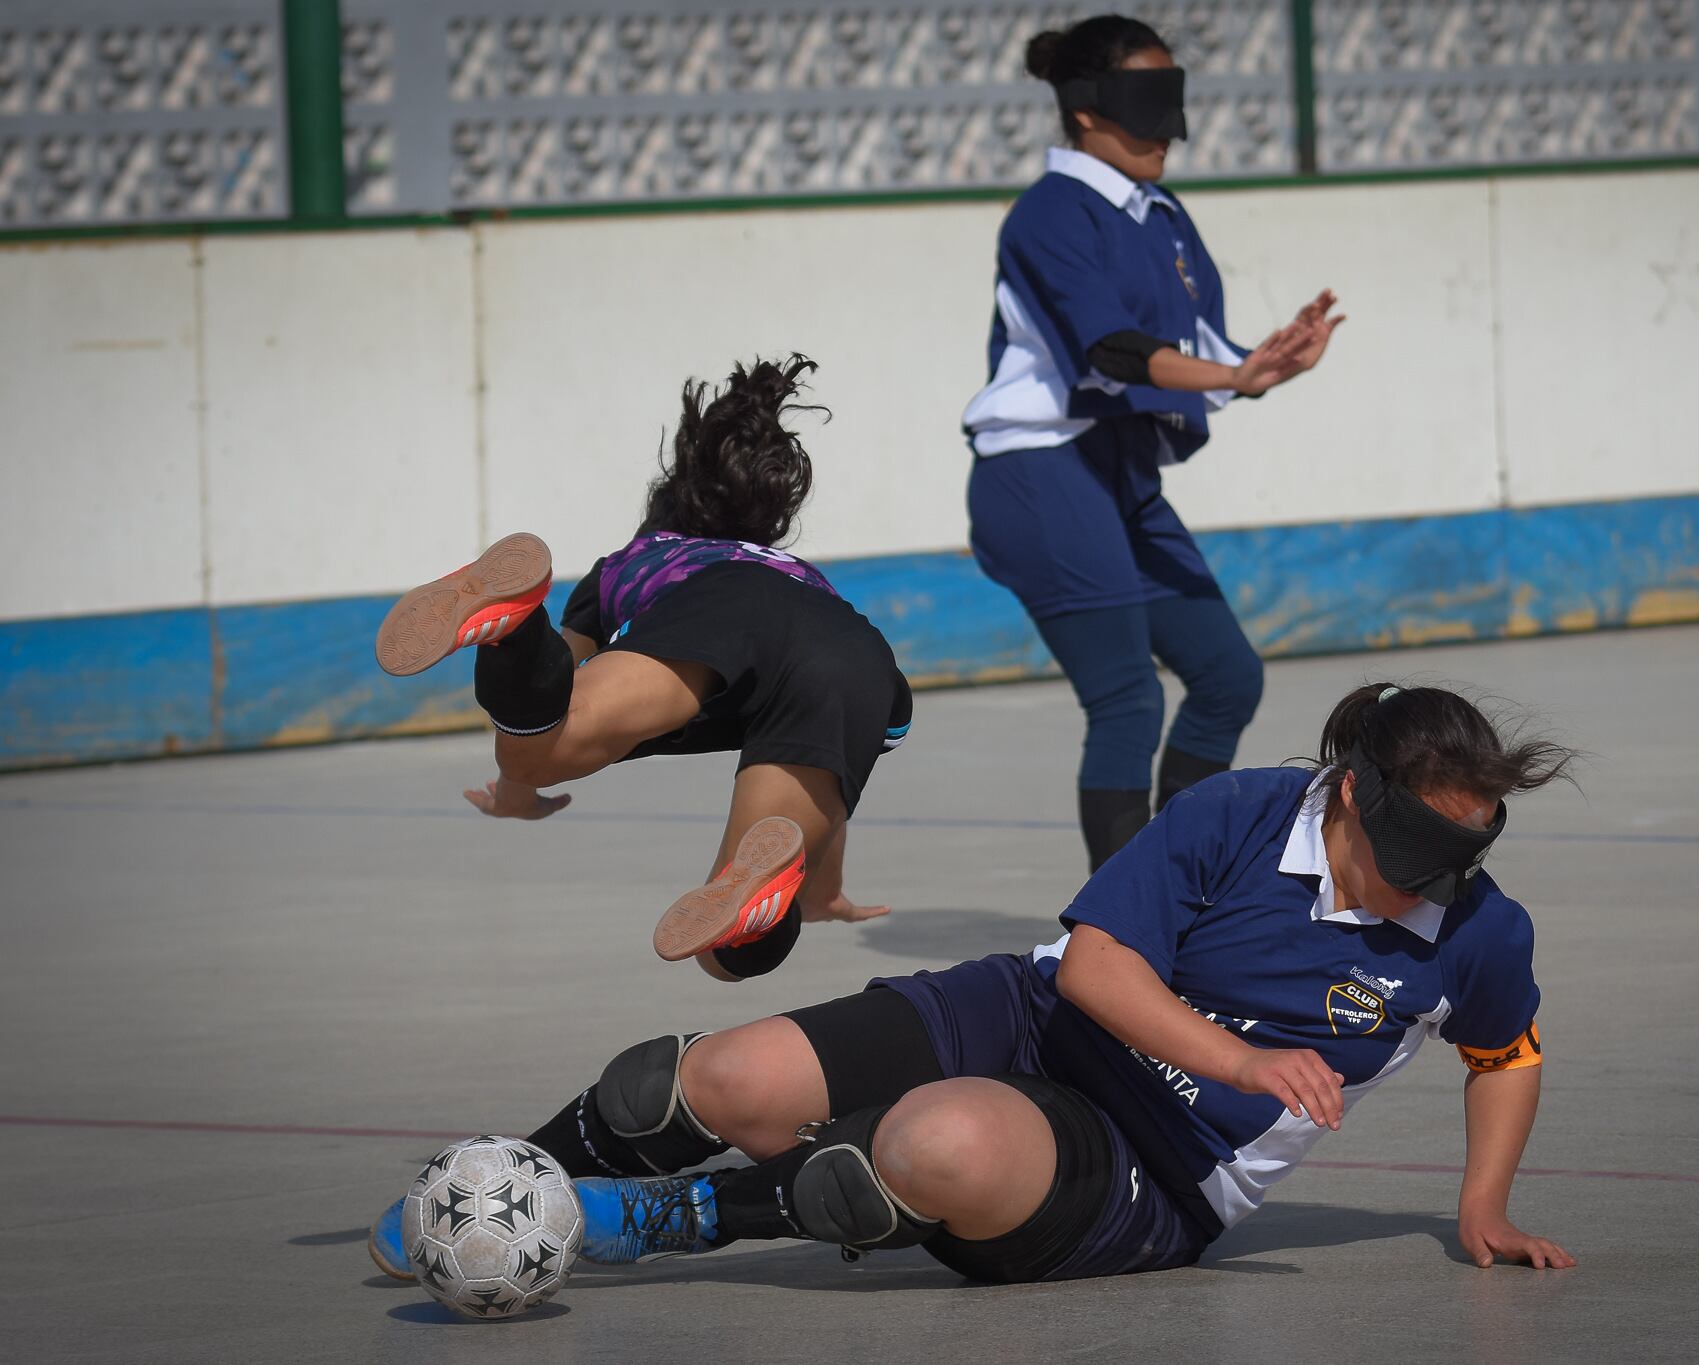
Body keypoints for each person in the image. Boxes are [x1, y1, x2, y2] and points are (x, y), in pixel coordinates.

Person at [369, 682, 1578, 1287]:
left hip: (1157, 1161)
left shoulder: (1474, 930)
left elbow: (1504, 1051)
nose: (1419, 888)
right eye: (1406, 856)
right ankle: (489, 1186)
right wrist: (1249, 1058)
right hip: (1036, 1012)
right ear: (1350, 793)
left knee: (926, 1148)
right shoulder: (1242, 813)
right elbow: (1098, 967)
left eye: (1455, 863)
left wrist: (1478, 1206)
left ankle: (683, 1220)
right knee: (698, 1080)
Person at [373, 355, 910, 981]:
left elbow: (559, 704)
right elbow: (832, 769)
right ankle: (776, 900)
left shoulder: (640, 560)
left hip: (718, 611)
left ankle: (516, 630)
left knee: (537, 744)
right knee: (724, 950)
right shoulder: (796, 574)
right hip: (856, 652)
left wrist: (519, 786)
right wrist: (822, 892)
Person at [962, 15, 1345, 870]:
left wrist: (1266, 362)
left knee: (1228, 677)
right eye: (1147, 103)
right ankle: (1125, 924)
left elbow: (1199, 350)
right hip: (1040, 470)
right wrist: (1232, 377)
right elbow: (1113, 350)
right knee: (1127, 700)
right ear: (1087, 110)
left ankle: (1173, 885)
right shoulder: (1048, 214)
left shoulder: (1162, 212)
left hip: (1118, 466)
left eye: (1175, 100)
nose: (1168, 128)